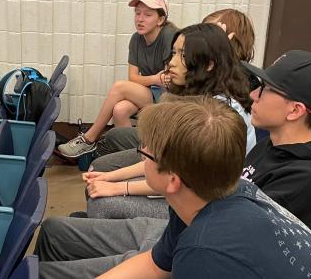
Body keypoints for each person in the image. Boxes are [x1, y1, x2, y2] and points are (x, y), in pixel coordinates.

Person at [35, 97, 311, 278]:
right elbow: (156, 265)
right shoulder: (213, 196)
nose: (140, 157)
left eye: (146, 152)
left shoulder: (205, 251)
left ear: (173, 180)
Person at [82, 23, 256, 219]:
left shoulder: (215, 115)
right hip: (178, 178)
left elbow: (173, 177)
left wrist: (117, 187)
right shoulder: (198, 92)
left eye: (182, 55)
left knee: (102, 202)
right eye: (173, 53)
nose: (171, 63)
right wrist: (110, 178)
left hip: (204, 203)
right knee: (100, 171)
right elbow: (162, 158)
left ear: (209, 64)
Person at [96, 7, 256, 157]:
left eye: (211, 35)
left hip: (194, 161)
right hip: (179, 144)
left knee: (107, 162)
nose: (199, 40)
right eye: (137, 13)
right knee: (118, 118)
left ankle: (89, 140)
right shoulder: (201, 73)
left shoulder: (234, 83)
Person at [241, 50, 311, 234]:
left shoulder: (303, 180)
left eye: (266, 88)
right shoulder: (272, 144)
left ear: (295, 110)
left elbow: (242, 234)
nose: (253, 94)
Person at [57, 0, 178, 158]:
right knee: (120, 110)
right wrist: (155, 79)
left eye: (147, 15)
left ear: (161, 19)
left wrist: (156, 80)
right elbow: (134, 77)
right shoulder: (136, 39)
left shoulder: (168, 36)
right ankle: (130, 158)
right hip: (152, 90)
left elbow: (168, 81)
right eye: (137, 13)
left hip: (169, 98)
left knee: (119, 87)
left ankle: (89, 139)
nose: (140, 19)